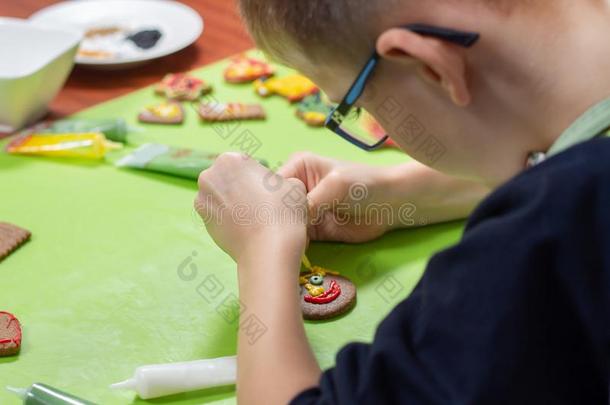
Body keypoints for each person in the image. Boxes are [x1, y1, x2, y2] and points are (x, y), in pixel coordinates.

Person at [195, 0, 610, 403]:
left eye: (353, 107)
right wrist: (411, 192)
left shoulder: (531, 251)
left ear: (430, 65)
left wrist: (263, 249)